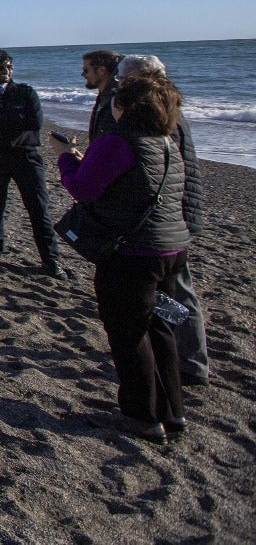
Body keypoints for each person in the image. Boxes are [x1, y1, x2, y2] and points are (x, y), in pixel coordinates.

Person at [56, 72, 191, 442]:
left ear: (125, 106)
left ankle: (142, 416)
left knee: (129, 335)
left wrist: (67, 160)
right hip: (171, 248)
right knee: (159, 329)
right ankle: (172, 412)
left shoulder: (118, 141)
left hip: (132, 253)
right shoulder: (166, 141)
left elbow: (82, 188)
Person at [118, 54, 210, 387]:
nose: (119, 85)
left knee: (178, 293)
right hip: (167, 215)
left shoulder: (164, 115)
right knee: (163, 293)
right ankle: (177, 355)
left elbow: (179, 169)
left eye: (124, 80)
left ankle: (192, 364)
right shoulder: (162, 110)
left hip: (168, 217)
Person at [0, 49, 66, 278]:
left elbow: (35, 122)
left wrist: (2, 122)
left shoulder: (25, 92)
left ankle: (51, 260)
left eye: (10, 67)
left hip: (26, 156)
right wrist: (13, 121)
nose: (6, 72)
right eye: (1, 68)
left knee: (39, 208)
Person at [82, 49, 121, 140]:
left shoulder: (117, 101)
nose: (83, 74)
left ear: (102, 70)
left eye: (86, 70)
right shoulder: (103, 97)